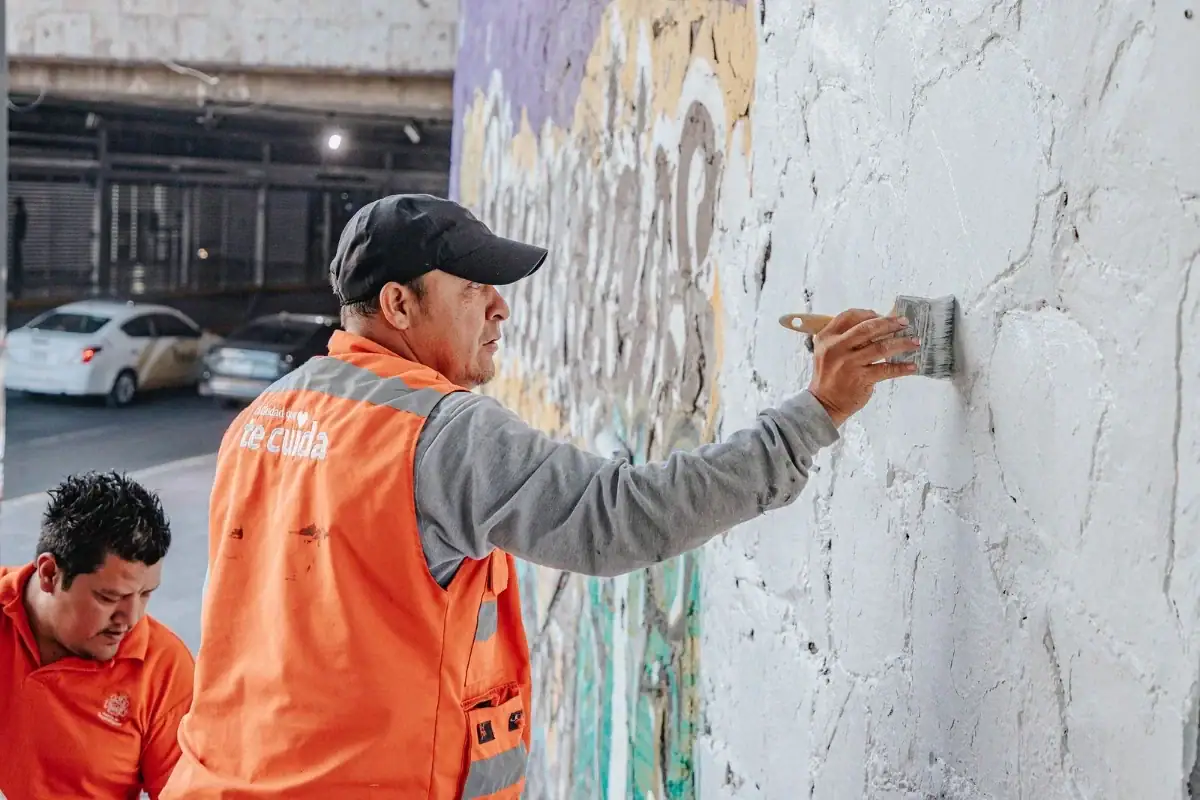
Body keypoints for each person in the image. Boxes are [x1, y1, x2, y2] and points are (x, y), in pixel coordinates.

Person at [165, 194, 919, 798]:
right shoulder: (438, 432)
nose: (500, 308)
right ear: (398, 304)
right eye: (473, 288)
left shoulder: (264, 417)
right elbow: (620, 518)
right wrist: (814, 415)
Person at [0, 471, 195, 800]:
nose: (130, 619)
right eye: (109, 597)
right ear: (49, 573)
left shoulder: (165, 669)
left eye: (145, 594)